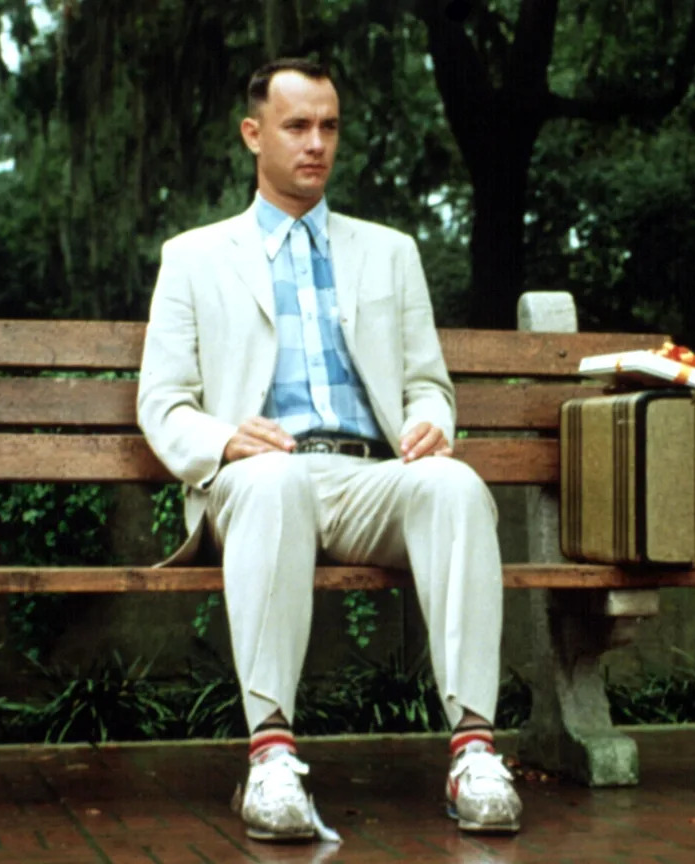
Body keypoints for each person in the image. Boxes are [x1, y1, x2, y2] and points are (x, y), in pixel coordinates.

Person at [137, 57, 522, 842]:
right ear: (254, 135)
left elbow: (427, 384)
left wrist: (430, 423)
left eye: (329, 127)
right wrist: (223, 438)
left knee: (452, 485)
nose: (316, 144)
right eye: (297, 126)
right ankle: (271, 759)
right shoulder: (195, 256)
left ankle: (474, 751)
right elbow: (163, 402)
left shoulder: (390, 252)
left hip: (366, 476)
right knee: (275, 477)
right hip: (254, 481)